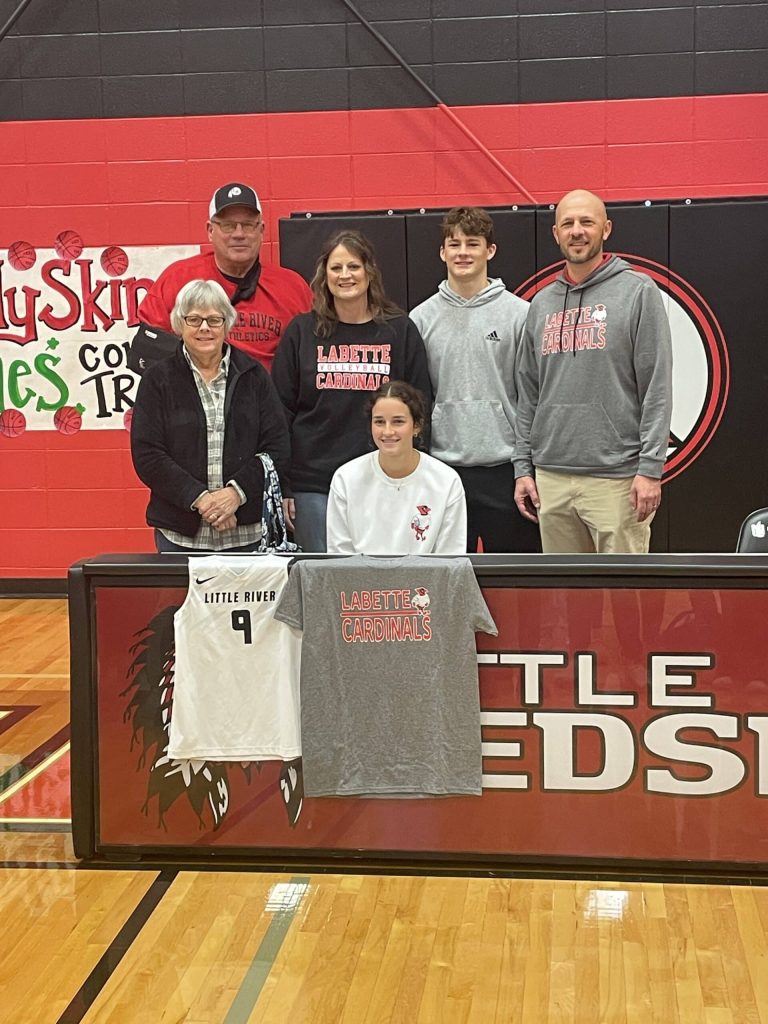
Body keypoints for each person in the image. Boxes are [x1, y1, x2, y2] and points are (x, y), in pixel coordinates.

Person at [513, 188, 673, 553]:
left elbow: (657, 387)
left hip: (617, 480)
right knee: (566, 587)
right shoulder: (541, 303)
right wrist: (523, 467)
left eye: (587, 221)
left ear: (606, 229)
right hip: (551, 477)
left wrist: (650, 469)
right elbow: (528, 393)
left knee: (623, 587)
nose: (577, 231)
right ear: (556, 233)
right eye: (568, 223)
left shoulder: (637, 292)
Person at [272, 230, 433, 552]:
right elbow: (279, 413)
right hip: (314, 485)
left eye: (354, 266)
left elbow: (421, 407)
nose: (345, 275)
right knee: (323, 576)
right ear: (324, 275)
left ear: (369, 272)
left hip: (384, 479)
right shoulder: (301, 332)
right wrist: (285, 486)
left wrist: (415, 475)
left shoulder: (400, 331)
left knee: (380, 575)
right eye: (336, 268)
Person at [409, 206, 539, 554]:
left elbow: (532, 397)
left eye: (472, 243)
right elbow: (416, 402)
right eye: (454, 244)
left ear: (490, 250)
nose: (462, 252)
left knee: (513, 578)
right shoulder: (420, 319)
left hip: (505, 470)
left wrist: (525, 467)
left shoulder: (520, 314)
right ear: (442, 252)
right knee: (448, 577)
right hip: (443, 470)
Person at [130, 279, 290, 552]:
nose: (204, 327)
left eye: (214, 320)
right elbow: (148, 454)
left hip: (247, 536)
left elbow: (277, 448)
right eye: (194, 319)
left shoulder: (254, 376)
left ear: (227, 325)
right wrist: (201, 499)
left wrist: (235, 494)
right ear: (179, 324)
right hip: (179, 538)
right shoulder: (157, 379)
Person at [134, 182, 311, 371]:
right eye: (228, 226)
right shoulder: (177, 279)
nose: (239, 234)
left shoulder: (293, 288)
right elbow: (148, 350)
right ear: (210, 231)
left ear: (261, 231)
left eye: (248, 225)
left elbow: (313, 354)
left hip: (267, 388)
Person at [326, 381, 466, 554]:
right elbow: (339, 557)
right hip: (359, 573)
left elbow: (450, 558)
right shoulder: (345, 479)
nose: (387, 431)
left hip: (426, 573)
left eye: (398, 422)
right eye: (379, 422)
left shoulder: (447, 481)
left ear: (416, 426)